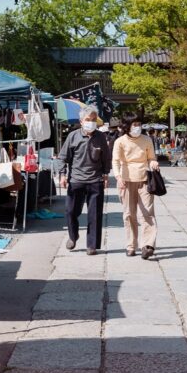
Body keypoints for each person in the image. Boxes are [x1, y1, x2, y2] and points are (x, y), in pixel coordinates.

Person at [61, 106, 111, 255]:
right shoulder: (73, 136)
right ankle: (73, 235)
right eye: (88, 120)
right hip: (76, 180)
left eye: (94, 120)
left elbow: (106, 158)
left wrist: (106, 175)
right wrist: (63, 175)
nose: (91, 122)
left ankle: (92, 245)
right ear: (81, 121)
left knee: (94, 214)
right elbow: (63, 157)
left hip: (95, 180)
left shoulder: (101, 137)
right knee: (70, 211)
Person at [112, 112, 160, 259]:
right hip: (126, 180)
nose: (138, 127)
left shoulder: (147, 140)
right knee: (129, 214)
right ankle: (131, 245)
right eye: (135, 125)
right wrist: (118, 177)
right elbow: (115, 161)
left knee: (147, 212)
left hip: (145, 179)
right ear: (127, 126)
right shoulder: (120, 141)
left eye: (139, 124)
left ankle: (147, 245)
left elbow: (151, 157)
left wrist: (153, 162)